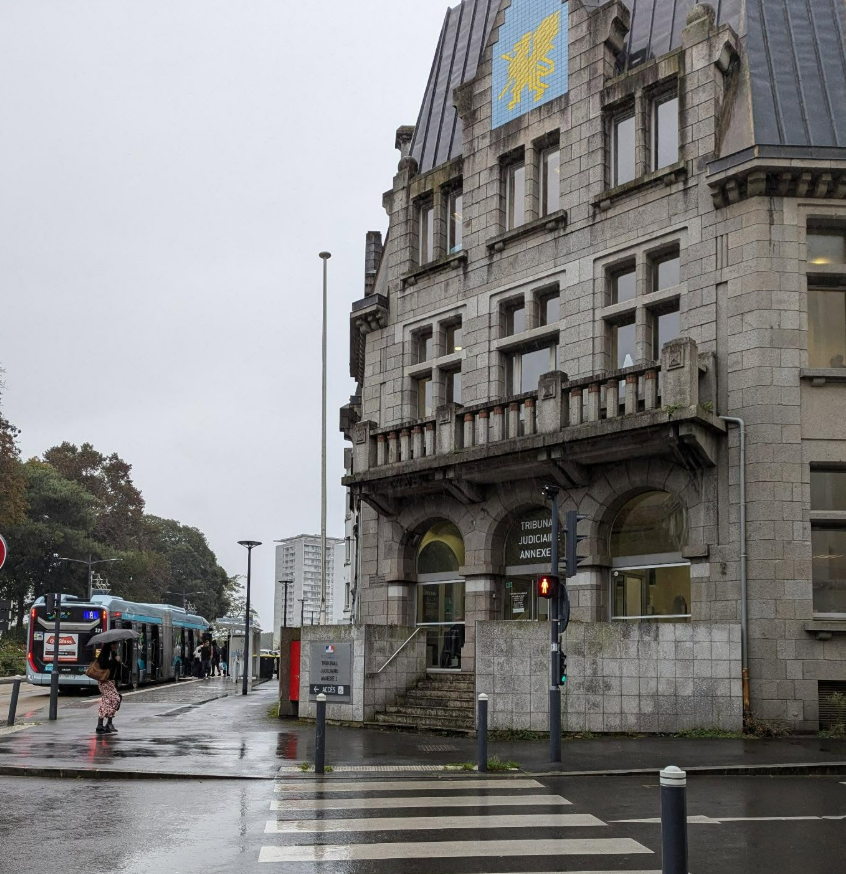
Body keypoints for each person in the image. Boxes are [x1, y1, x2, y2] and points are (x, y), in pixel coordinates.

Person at [95, 642, 122, 734]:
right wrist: (115, 660)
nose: (118, 645)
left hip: (110, 680)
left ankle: (105, 723)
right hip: (104, 681)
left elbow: (114, 668)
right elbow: (103, 665)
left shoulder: (112, 653)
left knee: (108, 700)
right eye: (116, 643)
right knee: (115, 699)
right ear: (111, 645)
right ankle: (105, 723)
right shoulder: (105, 653)